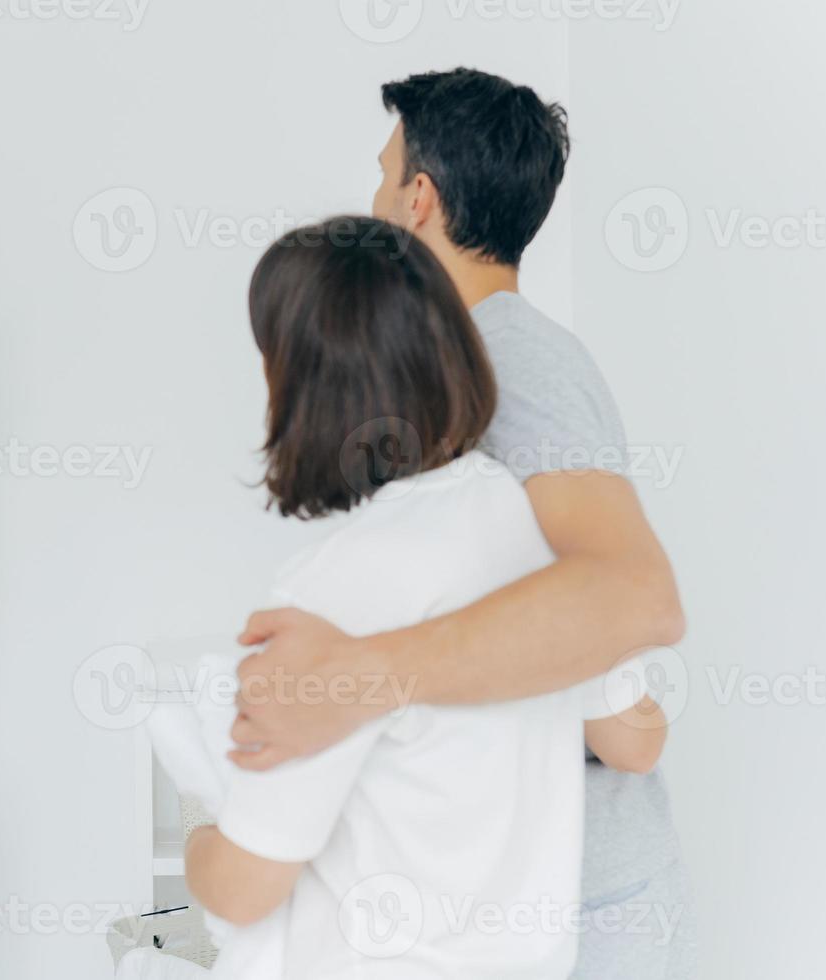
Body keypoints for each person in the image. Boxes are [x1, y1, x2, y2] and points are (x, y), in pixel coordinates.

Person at [229, 70, 694, 977]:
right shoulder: (472, 361)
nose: (369, 197)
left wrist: (353, 678)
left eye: (381, 174)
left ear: (419, 198)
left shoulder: (515, 362)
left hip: (581, 897)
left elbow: (635, 597)